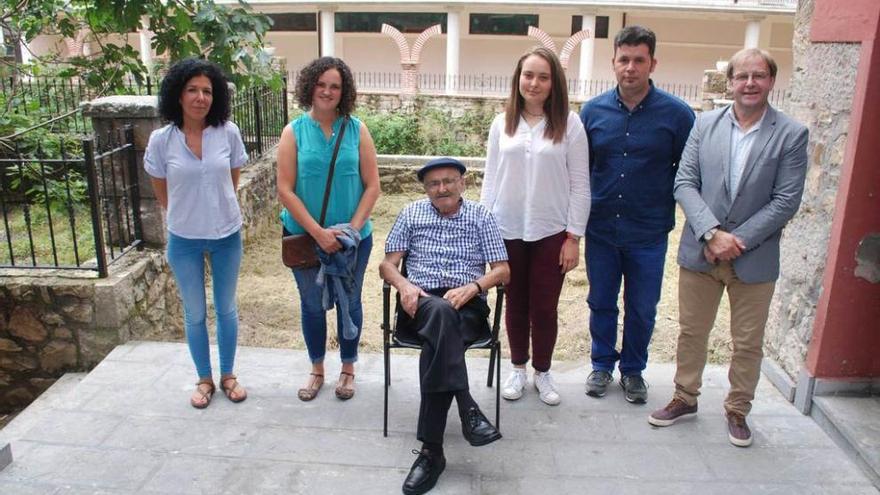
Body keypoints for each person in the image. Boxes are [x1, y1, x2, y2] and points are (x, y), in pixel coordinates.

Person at [649, 48, 808, 447]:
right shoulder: (703, 125)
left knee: (748, 341)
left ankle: (738, 409)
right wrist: (711, 233)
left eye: (759, 76)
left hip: (754, 258)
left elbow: (786, 199)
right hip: (701, 251)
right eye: (742, 76)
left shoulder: (791, 134)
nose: (750, 83)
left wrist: (736, 240)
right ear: (731, 82)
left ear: (771, 81)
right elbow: (684, 181)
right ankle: (685, 398)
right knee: (691, 332)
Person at [379, 157, 510, 495]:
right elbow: (387, 265)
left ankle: (431, 453)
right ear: (426, 190)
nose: (442, 188)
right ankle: (468, 408)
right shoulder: (411, 214)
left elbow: (502, 270)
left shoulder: (481, 216)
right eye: (434, 184)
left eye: (448, 181)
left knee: (440, 337)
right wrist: (405, 286)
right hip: (420, 304)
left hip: (468, 306)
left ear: (462, 183)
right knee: (438, 315)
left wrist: (475, 287)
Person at [579, 26, 695, 403]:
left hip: (649, 232)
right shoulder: (592, 113)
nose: (630, 67)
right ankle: (601, 365)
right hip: (601, 230)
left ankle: (633, 371)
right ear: (613, 63)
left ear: (652, 63)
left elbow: (688, 171)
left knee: (643, 307)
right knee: (601, 301)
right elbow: (581, 171)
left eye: (638, 60)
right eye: (623, 59)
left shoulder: (677, 116)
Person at [480, 46, 590, 406]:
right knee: (515, 303)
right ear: (518, 79)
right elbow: (491, 181)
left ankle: (543, 371)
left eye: (543, 76)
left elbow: (580, 184)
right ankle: (517, 368)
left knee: (544, 307)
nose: (535, 83)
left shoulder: (569, 124)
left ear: (554, 83)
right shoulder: (502, 124)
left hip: (550, 231)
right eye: (529, 75)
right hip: (507, 230)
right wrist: (483, 232)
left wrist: (573, 236)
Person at [144, 58, 249, 408]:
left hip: (226, 235)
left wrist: (215, 210)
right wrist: (188, 215)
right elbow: (162, 193)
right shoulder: (161, 140)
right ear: (177, 94)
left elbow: (230, 182)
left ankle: (229, 375)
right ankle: (204, 379)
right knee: (194, 312)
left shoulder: (228, 133)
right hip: (184, 239)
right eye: (192, 90)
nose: (200, 97)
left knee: (226, 307)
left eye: (207, 90)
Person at [276, 57, 380, 402]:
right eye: (321, 84)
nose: (327, 91)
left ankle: (348, 368)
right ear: (310, 87)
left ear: (344, 91)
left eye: (335, 86)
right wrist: (319, 233)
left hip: (353, 241)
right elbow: (285, 190)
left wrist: (351, 230)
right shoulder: (293, 132)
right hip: (306, 238)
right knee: (311, 304)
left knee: (350, 302)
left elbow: (372, 186)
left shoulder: (357, 130)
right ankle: (317, 369)